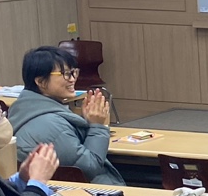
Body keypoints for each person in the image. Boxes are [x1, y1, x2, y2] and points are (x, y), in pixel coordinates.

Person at [8, 45, 122, 185]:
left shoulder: (25, 110)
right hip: (82, 193)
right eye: (65, 74)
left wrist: (88, 123)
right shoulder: (51, 125)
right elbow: (90, 167)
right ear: (41, 82)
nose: (72, 79)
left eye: (74, 72)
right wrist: (98, 126)